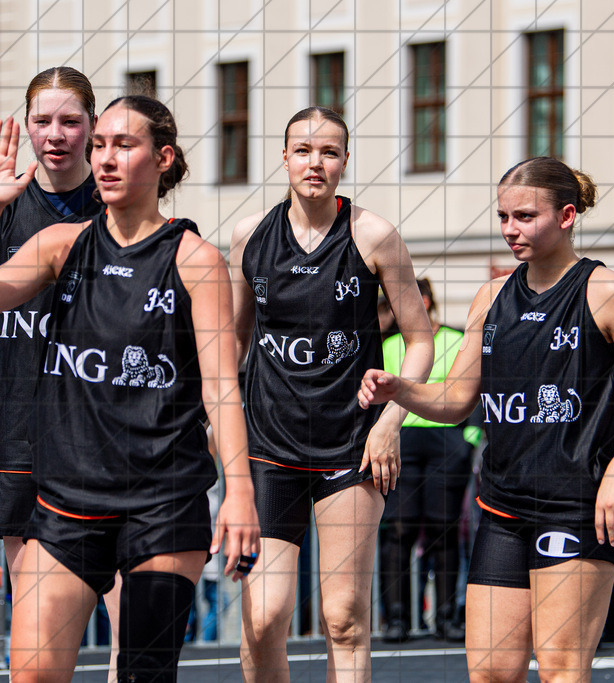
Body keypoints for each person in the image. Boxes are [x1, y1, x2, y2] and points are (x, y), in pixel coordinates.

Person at [0, 96, 260, 682]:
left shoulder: (195, 260)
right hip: (66, 505)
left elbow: (222, 386)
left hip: (162, 507)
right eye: (101, 145)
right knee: (32, 674)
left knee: (142, 673)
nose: (106, 159)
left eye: (125, 145)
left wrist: (239, 492)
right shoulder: (62, 244)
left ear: (163, 158)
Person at [359, 156, 614, 682]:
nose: (510, 229)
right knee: (489, 671)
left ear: (567, 215)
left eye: (525, 216)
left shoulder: (611, 295)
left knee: (559, 668)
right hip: (503, 505)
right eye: (503, 216)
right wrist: (402, 392)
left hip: (579, 505)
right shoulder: (490, 297)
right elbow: (457, 399)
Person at [231, 106, 434, 682]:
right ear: (285, 156)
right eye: (303, 150)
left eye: (328, 152)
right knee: (266, 617)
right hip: (271, 445)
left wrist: (391, 421)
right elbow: (233, 344)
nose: (314, 163)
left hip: (351, 443)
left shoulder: (373, 234)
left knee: (343, 616)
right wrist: (216, 424)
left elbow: (420, 341)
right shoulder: (249, 235)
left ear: (345, 161)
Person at [0, 68, 116, 666]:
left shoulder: (117, 204)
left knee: (132, 634)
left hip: (106, 441)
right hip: (20, 433)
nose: (56, 134)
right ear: (26, 127)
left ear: (93, 127)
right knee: (35, 638)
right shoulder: (5, 207)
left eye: (71, 121)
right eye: (42, 121)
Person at [379, 277, 476, 642]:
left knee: (444, 532)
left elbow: (474, 390)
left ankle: (447, 618)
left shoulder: (455, 340)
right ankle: (397, 619)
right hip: (401, 441)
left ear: (425, 301)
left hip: (447, 443)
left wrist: (468, 439)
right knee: (398, 532)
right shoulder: (387, 344)